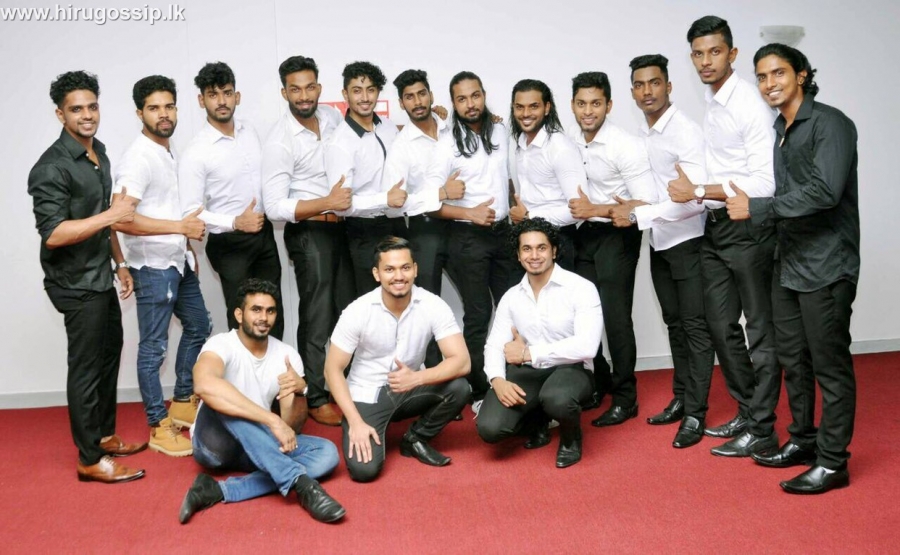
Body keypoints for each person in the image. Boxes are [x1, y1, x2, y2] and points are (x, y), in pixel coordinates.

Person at [726, 44, 860, 494]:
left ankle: (833, 462)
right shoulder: (781, 129)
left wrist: (757, 207)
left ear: (801, 75)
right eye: (762, 76)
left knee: (829, 367)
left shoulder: (831, 124)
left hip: (827, 265)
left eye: (779, 73)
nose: (770, 84)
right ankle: (803, 440)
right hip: (789, 263)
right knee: (793, 361)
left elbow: (825, 192)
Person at [667, 16, 780, 454]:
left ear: (732, 54)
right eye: (698, 53)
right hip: (715, 229)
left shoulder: (749, 103)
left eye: (715, 52)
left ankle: (763, 427)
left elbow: (764, 182)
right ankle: (750, 410)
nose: (705, 61)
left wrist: (698, 190)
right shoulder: (713, 101)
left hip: (749, 228)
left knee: (760, 331)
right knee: (719, 325)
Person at [28, 70, 146, 483]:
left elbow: (104, 221)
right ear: (60, 114)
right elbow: (54, 233)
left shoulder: (100, 153)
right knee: (86, 368)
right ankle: (89, 459)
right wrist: (112, 216)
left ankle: (104, 436)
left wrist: (120, 263)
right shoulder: (51, 168)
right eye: (76, 109)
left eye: (92, 106)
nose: (87, 115)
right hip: (74, 283)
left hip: (100, 276)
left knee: (109, 354)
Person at [611, 55, 717, 447]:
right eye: (639, 85)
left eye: (654, 83)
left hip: (689, 242)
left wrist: (638, 214)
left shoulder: (684, 131)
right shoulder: (645, 133)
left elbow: (695, 200)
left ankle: (696, 414)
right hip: (660, 242)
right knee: (674, 325)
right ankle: (683, 397)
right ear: (632, 92)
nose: (647, 91)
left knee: (695, 328)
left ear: (668, 86)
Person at [178, 279, 344, 523]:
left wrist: (300, 392)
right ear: (239, 314)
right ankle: (302, 484)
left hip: (259, 446)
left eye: (270, 311)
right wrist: (271, 420)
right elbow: (204, 385)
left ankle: (217, 490)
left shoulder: (287, 355)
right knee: (226, 400)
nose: (263, 318)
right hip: (215, 445)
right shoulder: (220, 344)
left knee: (327, 453)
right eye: (256, 309)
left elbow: (292, 428)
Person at [113, 75, 212, 457]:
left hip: (176, 260)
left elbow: (167, 205)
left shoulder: (167, 150)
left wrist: (184, 245)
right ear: (140, 113)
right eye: (154, 108)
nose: (164, 114)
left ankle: (183, 401)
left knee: (199, 325)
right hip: (152, 267)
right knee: (153, 349)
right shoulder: (137, 158)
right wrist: (179, 229)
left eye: (169, 106)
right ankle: (158, 424)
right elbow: (121, 218)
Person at [324, 237, 471, 482]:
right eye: (389, 269)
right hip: (367, 392)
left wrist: (417, 378)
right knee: (364, 471)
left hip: (409, 387)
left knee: (459, 387)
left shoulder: (433, 305)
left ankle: (415, 438)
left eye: (405, 267)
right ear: (377, 274)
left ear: (415, 269)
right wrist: (355, 421)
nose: (399, 276)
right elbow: (332, 370)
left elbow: (462, 361)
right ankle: (362, 422)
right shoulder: (357, 311)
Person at [261, 54, 352, 427]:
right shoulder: (280, 140)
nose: (303, 95)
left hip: (342, 227)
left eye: (309, 87)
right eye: (295, 89)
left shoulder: (331, 118)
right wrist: (327, 202)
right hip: (309, 231)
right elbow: (274, 207)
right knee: (318, 315)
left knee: (347, 311)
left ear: (319, 88)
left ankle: (343, 386)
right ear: (284, 93)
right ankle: (314, 395)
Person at [424, 71, 520, 409]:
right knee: (479, 315)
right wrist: (470, 213)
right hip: (467, 238)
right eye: (462, 99)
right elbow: (428, 203)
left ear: (484, 95)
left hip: (505, 235)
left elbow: (508, 176)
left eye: (475, 95)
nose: (470, 104)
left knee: (516, 310)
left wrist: (514, 205)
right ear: (454, 103)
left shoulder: (502, 131)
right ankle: (479, 392)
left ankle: (517, 383)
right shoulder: (446, 144)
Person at [566, 72, 656, 425]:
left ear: (609, 105)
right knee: (585, 315)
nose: (588, 111)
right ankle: (600, 382)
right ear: (573, 105)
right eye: (582, 103)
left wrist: (597, 209)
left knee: (616, 318)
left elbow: (646, 201)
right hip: (583, 234)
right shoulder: (569, 139)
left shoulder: (625, 144)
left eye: (596, 103)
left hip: (618, 234)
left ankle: (625, 398)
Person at [477, 218, 602, 468]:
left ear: (554, 251)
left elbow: (587, 346)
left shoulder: (581, 288)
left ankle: (571, 439)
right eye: (527, 249)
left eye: (541, 248)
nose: (534, 255)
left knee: (557, 397)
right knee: (490, 428)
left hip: (572, 368)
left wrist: (529, 353)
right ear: (518, 255)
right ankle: (537, 420)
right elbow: (494, 345)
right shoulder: (512, 297)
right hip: (529, 372)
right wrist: (497, 380)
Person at [179, 62, 284, 338]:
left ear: (237, 96)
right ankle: (241, 368)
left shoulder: (250, 131)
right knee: (242, 319)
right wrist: (236, 222)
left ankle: (275, 367)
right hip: (229, 244)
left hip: (263, 235)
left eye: (227, 93)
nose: (222, 101)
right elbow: (190, 212)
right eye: (213, 95)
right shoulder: (196, 151)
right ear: (201, 100)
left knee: (273, 312)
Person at [382, 69, 464, 367]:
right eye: (409, 97)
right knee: (425, 307)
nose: (417, 102)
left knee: (475, 300)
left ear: (431, 95)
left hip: (462, 224)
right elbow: (393, 204)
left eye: (421, 94)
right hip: (425, 231)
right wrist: (439, 193)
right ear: (401, 103)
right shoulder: (401, 146)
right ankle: (434, 376)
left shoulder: (452, 128)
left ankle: (472, 373)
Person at [325, 61, 402, 294]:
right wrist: (384, 199)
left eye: (371, 90)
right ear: (345, 94)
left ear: (378, 92)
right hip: (364, 231)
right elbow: (341, 206)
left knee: (402, 295)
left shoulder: (388, 127)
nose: (365, 97)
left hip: (397, 223)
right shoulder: (340, 142)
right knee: (373, 300)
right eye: (357, 91)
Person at [508, 78, 583, 270]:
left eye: (533, 106)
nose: (525, 114)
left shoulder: (560, 147)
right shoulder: (521, 143)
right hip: (527, 237)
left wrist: (529, 216)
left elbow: (578, 210)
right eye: (519, 107)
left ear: (547, 108)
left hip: (558, 240)